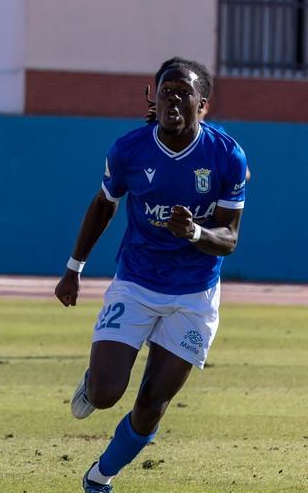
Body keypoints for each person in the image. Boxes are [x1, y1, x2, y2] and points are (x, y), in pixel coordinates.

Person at [54, 57, 247, 492]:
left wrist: (196, 231)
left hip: (194, 295)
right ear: (152, 97)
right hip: (137, 283)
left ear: (203, 105)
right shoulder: (129, 151)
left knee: (151, 404)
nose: (173, 101)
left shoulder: (226, 156)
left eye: (184, 94)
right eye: (166, 92)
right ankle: (93, 381)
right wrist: (73, 269)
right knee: (105, 394)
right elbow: (104, 204)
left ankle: (100, 477)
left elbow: (229, 239)